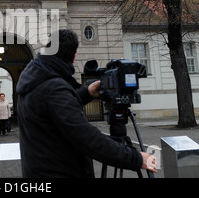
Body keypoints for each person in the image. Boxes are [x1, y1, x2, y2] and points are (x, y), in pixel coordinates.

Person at [17, 29, 157, 178]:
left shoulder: (37, 79)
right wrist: (137, 158)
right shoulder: (54, 88)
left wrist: (86, 93)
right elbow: (88, 139)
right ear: (74, 57)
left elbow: (52, 109)